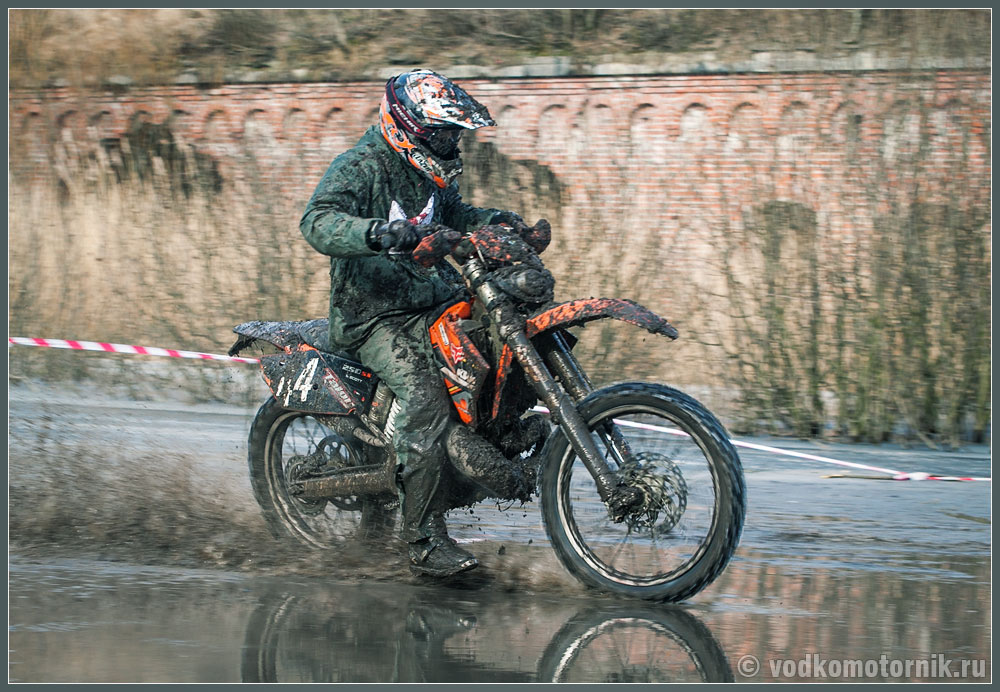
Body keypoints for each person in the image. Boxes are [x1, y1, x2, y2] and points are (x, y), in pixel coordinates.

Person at [300, 69, 540, 578]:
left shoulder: (428, 176)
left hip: (432, 302)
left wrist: (506, 224)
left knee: (495, 353)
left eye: (456, 134)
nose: (452, 143)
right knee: (428, 399)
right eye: (443, 133)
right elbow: (317, 221)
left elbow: (460, 214)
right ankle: (423, 541)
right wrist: (383, 233)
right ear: (409, 127)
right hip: (373, 317)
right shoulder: (359, 166)